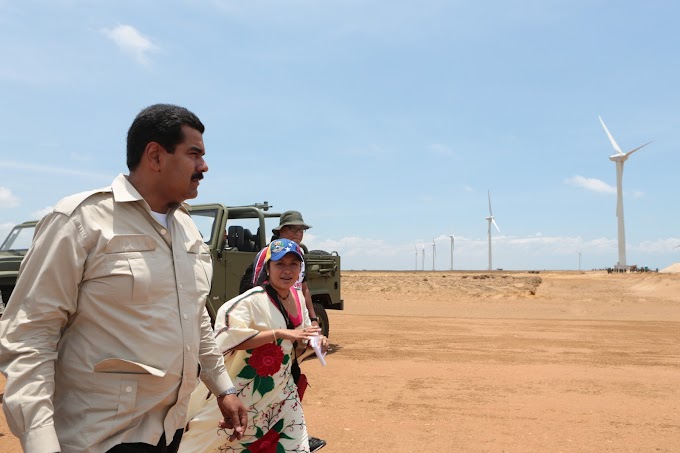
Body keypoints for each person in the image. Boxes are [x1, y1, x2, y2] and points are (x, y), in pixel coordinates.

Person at [0, 104, 247, 453]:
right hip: (99, 436)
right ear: (155, 155)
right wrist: (41, 444)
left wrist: (224, 388)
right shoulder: (82, 220)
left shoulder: (188, 229)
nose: (204, 167)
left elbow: (196, 321)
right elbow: (30, 337)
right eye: (194, 154)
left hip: (168, 429)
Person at [178, 239, 328, 452]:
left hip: (282, 392)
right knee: (212, 440)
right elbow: (225, 336)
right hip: (246, 391)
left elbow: (303, 335)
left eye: (293, 264)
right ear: (268, 268)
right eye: (279, 264)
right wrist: (278, 333)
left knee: (295, 444)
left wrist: (317, 339)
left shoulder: (297, 297)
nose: (287, 270)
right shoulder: (250, 301)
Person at [247, 211, 328, 452]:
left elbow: (303, 289)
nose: (298, 233)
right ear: (280, 230)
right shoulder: (269, 252)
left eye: (301, 229)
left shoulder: (299, 254)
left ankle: (294, 434)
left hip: (294, 319)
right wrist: (277, 329)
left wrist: (312, 320)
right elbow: (255, 286)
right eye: (293, 229)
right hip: (270, 322)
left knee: (290, 381)